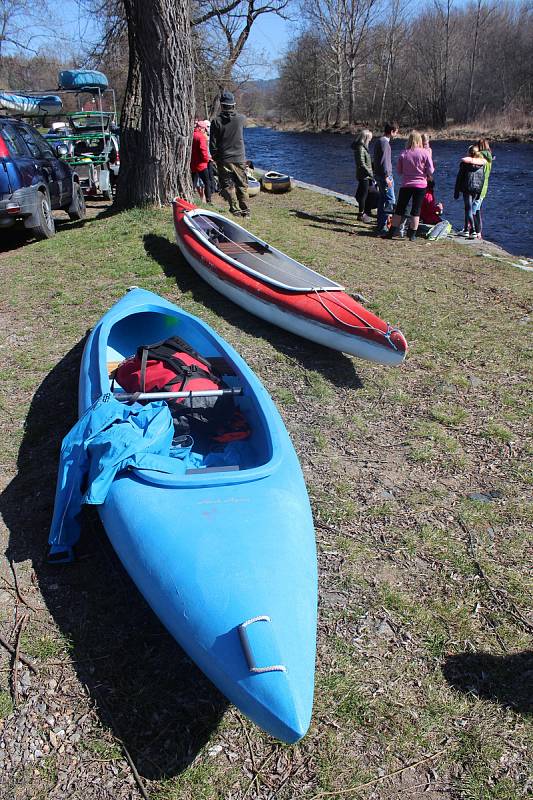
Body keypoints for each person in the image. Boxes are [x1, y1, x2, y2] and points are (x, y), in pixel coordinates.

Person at [383, 130, 434, 241]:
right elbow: (431, 170)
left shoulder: (404, 153)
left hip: (406, 184)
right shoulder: (425, 153)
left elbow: (399, 171)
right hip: (421, 185)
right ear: (419, 140)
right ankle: (412, 235)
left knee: (399, 209)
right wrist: (424, 172)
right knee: (416, 210)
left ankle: (391, 232)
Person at [209, 89, 250, 217]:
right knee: (242, 184)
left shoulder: (216, 121)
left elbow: (213, 144)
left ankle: (235, 209)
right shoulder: (241, 119)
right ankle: (246, 211)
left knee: (228, 185)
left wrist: (215, 157)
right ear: (233, 105)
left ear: (221, 105)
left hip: (224, 158)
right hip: (239, 158)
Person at [372, 121, 399, 235]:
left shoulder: (380, 141)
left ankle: (380, 224)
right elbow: (384, 162)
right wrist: (387, 176)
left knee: (383, 199)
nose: (397, 134)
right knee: (390, 200)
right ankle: (385, 226)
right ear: (392, 131)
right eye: (396, 132)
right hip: (384, 176)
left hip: (379, 175)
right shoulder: (385, 143)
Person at [454, 145, 485, 238]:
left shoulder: (464, 164)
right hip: (476, 189)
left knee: (468, 209)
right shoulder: (481, 165)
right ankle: (466, 229)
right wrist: (479, 192)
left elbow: (459, 178)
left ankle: (472, 230)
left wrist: (456, 191)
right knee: (469, 209)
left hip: (467, 188)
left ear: (469, 153)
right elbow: (482, 179)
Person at [472, 138, 494, 239]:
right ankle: (478, 231)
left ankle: (475, 232)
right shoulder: (489, 157)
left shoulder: (480, 156)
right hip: (485, 186)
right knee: (477, 210)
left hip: (479, 186)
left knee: (473, 210)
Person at [351, 129, 374, 223]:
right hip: (364, 175)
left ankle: (363, 211)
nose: (370, 140)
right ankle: (361, 214)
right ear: (366, 138)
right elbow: (361, 163)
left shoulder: (363, 148)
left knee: (360, 194)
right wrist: (370, 173)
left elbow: (366, 162)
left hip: (365, 175)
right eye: (370, 138)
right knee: (363, 195)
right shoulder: (360, 148)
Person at [190, 120, 212, 203]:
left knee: (193, 183)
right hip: (201, 164)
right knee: (207, 182)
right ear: (200, 128)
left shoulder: (191, 135)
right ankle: (209, 200)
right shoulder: (201, 137)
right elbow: (203, 150)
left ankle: (190, 198)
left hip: (192, 163)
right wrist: (207, 159)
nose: (205, 131)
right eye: (204, 129)